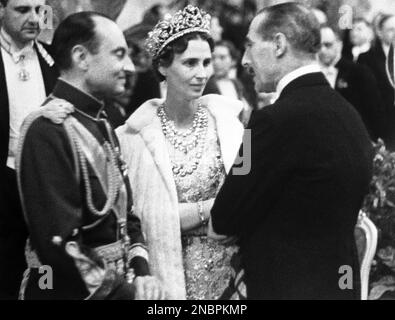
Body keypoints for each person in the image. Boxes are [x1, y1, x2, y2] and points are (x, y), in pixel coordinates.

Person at [210, 3, 373, 300]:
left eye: (249, 45)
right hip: (341, 286)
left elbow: (222, 220)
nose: (245, 60)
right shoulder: (350, 116)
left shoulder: (270, 121)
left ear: (279, 44)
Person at [16, 11, 163, 300]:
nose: (129, 66)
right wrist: (126, 294)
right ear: (81, 57)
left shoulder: (101, 122)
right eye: (119, 54)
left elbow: (126, 217)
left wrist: (142, 273)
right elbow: (60, 244)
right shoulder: (46, 129)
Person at [116, 5, 244, 300]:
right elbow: (141, 219)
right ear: (162, 65)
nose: (202, 73)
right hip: (168, 277)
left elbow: (248, 193)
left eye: (207, 62)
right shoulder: (133, 137)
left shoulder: (237, 126)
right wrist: (213, 209)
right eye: (190, 63)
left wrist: (191, 215)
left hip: (232, 279)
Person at [0, 0, 58, 299]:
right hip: (3, 180)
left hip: (42, 180)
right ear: (1, 9)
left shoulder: (50, 61)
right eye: (23, 10)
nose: (34, 18)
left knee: (45, 269)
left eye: (39, 10)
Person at [318, 25, 384, 141]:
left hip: (356, 138)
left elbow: (374, 111)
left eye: (328, 45)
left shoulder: (359, 72)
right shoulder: (313, 74)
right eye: (318, 46)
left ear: (339, 44)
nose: (322, 50)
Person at [358, 14, 395, 150]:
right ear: (379, 32)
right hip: (381, 131)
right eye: (391, 30)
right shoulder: (366, 59)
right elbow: (364, 100)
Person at [203, 40, 251, 125]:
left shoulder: (237, 84)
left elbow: (246, 118)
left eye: (222, 57)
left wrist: (247, 138)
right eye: (213, 58)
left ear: (233, 61)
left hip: (239, 135)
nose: (216, 62)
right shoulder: (205, 86)